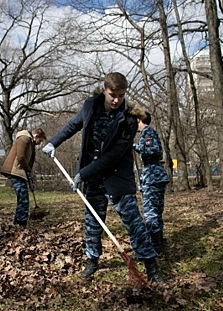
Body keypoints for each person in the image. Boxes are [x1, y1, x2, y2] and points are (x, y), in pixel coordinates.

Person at [41, 72, 163, 282]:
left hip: (117, 176)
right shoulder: (90, 106)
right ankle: (92, 260)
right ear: (104, 89)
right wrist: (53, 142)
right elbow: (72, 125)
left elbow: (113, 156)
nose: (117, 100)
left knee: (134, 222)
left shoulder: (130, 119)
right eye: (113, 94)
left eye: (121, 95)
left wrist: (81, 174)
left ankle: (151, 267)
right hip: (93, 178)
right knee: (92, 220)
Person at [130, 103, 170, 254]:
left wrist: (136, 147)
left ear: (139, 120)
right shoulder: (148, 133)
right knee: (156, 210)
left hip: (152, 175)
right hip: (155, 174)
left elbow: (152, 151)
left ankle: (156, 245)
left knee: (151, 212)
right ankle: (159, 242)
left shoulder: (147, 132)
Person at [1, 128, 47, 227]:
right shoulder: (24, 138)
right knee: (23, 199)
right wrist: (28, 171)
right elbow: (21, 157)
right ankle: (21, 224)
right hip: (15, 171)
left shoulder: (30, 143)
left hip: (19, 171)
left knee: (22, 198)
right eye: (41, 140)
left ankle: (17, 223)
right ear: (36, 136)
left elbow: (28, 161)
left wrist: (30, 177)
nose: (40, 143)